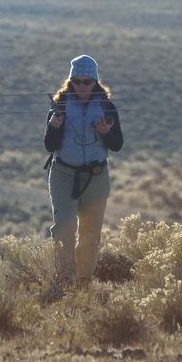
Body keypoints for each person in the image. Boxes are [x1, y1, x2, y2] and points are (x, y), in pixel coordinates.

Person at [44, 54, 123, 288]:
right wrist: (54, 127)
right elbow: (49, 145)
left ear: (95, 82)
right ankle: (64, 281)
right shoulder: (58, 107)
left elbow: (117, 145)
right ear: (70, 82)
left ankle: (83, 284)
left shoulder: (107, 108)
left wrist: (106, 132)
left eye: (86, 81)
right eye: (76, 81)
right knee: (64, 230)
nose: (81, 86)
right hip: (63, 175)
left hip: (97, 177)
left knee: (90, 235)